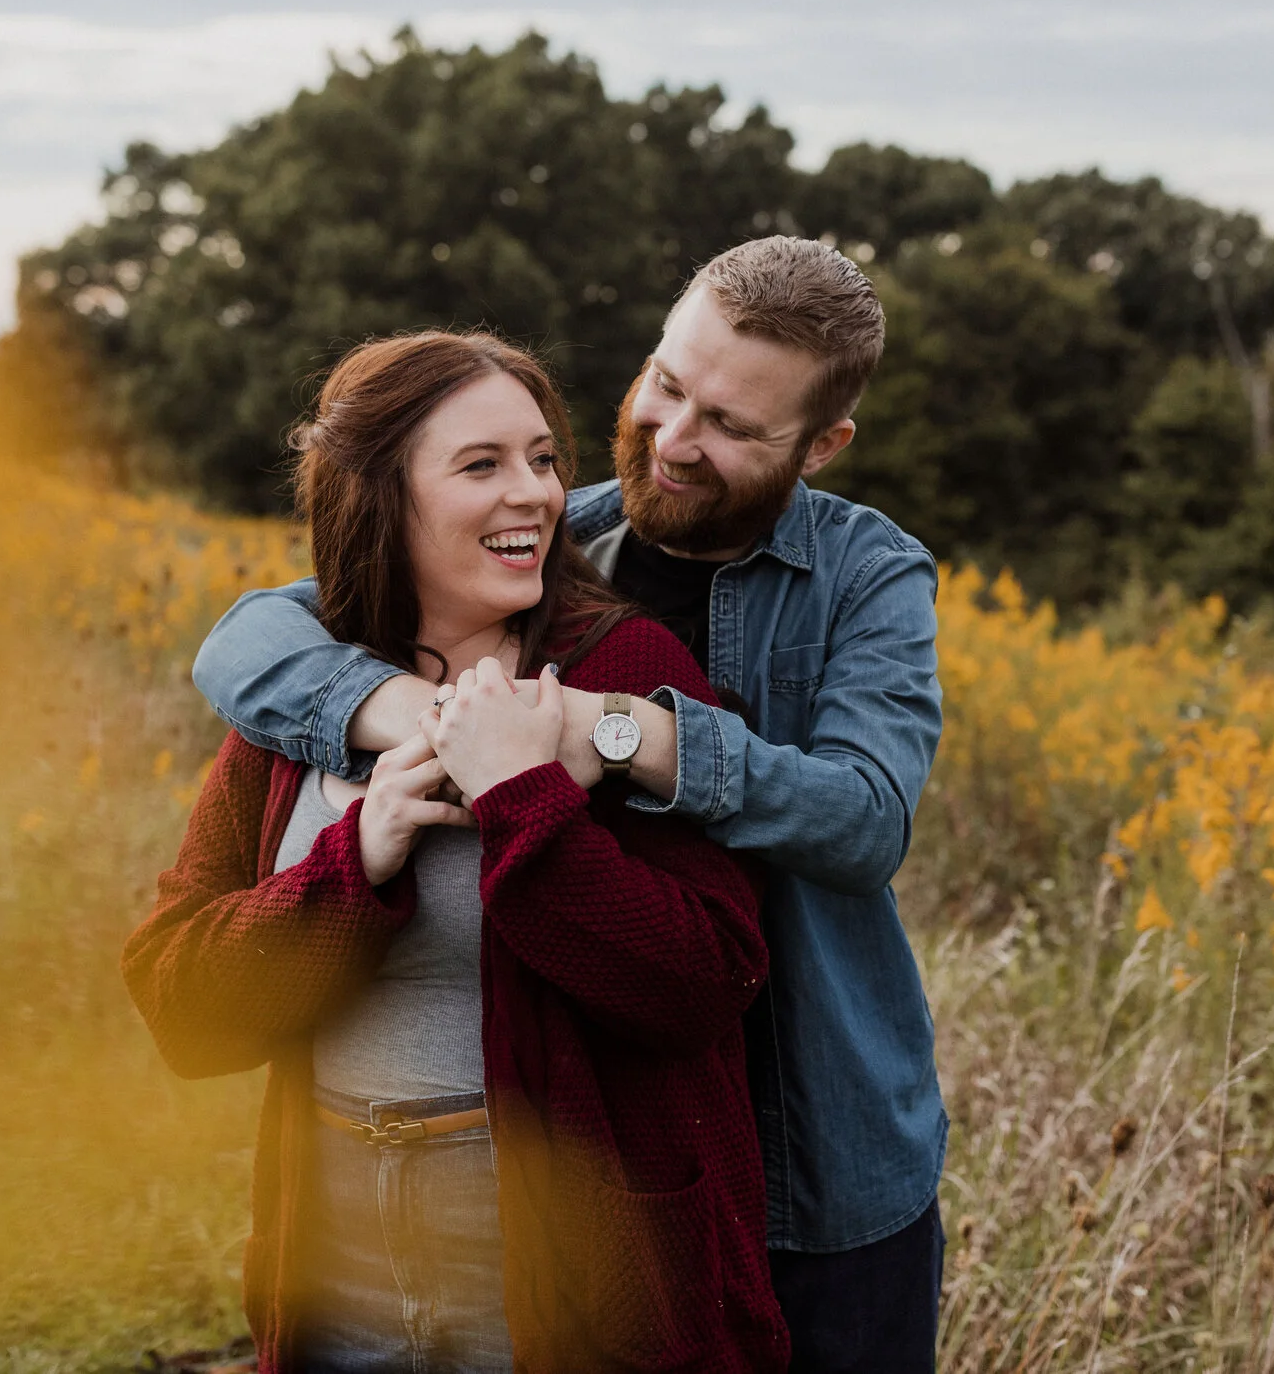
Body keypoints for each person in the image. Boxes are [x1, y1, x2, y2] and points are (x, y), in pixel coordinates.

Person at [193, 238, 949, 1373]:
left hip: (812, 1147)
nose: (672, 437)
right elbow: (253, 637)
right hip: (610, 1136)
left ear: (822, 445)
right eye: (666, 382)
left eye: (731, 426)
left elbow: (865, 818)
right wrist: (418, 714)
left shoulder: (868, 575)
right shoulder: (552, 526)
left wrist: (616, 732)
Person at [124, 330, 787, 1374]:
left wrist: (524, 798)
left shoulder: (620, 670)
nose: (531, 493)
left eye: (541, 457)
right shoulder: (305, 694)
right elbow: (182, 1005)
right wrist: (356, 859)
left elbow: (709, 975)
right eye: (481, 465)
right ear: (379, 495)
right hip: (336, 1289)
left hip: (571, 1297)